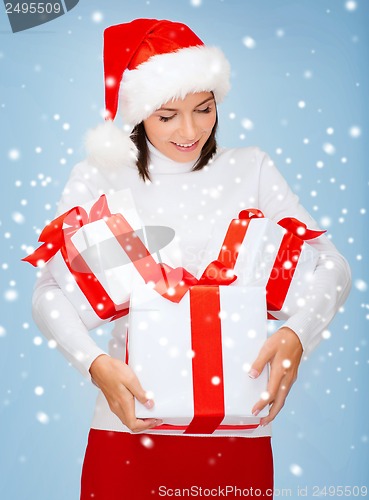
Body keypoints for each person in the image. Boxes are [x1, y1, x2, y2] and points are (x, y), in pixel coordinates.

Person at [30, 19, 352, 499]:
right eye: (166, 116)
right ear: (137, 114)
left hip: (238, 432)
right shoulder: (101, 176)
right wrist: (95, 363)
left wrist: (296, 333)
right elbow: (49, 291)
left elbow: (334, 267)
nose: (190, 130)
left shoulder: (252, 168)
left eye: (205, 108)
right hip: (128, 430)